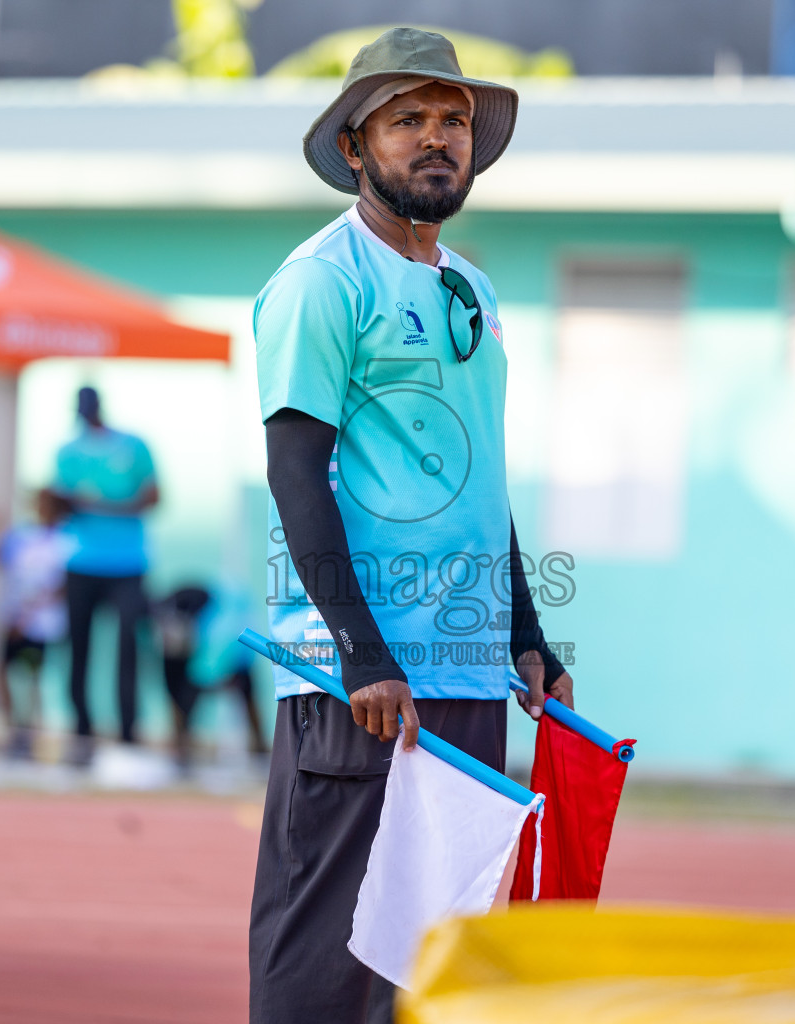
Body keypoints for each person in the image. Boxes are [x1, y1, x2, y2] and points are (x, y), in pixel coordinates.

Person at [248, 28, 574, 1024]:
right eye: (410, 120)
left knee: (431, 960)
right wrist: (361, 654)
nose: (438, 139)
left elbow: (478, 481)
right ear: (355, 146)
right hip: (363, 680)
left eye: (454, 120)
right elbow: (296, 473)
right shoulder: (321, 282)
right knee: (327, 952)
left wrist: (525, 632)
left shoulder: (471, 288)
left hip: (469, 669)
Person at [52, 386, 159, 761]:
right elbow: (57, 506)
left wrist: (95, 504)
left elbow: (154, 496)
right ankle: (82, 729)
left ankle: (128, 731)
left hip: (128, 563)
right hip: (81, 561)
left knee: (129, 649)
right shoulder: (67, 451)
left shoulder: (133, 446)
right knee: (78, 648)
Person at [0, 489, 75, 757]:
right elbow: (1, 559)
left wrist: (28, 614)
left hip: (40, 625)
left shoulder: (66, 541)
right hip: (13, 616)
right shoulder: (24, 535)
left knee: (32, 677)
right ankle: (15, 729)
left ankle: (30, 734)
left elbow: (62, 586)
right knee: (4, 672)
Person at [158, 582, 269, 771]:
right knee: (182, 694)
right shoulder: (194, 626)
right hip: (208, 659)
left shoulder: (221, 629)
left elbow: (209, 669)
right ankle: (181, 749)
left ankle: (259, 749)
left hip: (220, 661)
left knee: (187, 695)